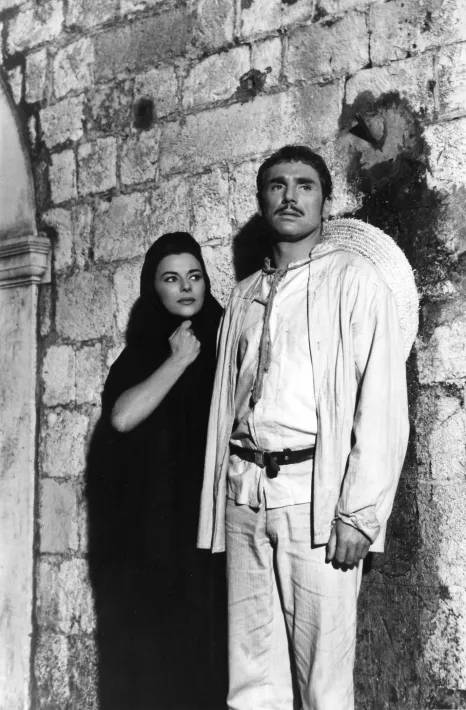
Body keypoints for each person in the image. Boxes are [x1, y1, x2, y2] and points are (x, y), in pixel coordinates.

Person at [197, 146, 412, 710]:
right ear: (261, 200)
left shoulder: (354, 279)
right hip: (244, 494)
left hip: (313, 496)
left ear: (325, 201)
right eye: (277, 185)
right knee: (250, 683)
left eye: (305, 185)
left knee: (324, 684)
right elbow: (227, 403)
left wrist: (359, 514)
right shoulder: (244, 294)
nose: (290, 196)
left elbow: (383, 405)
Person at [87, 232, 226, 710]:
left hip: (213, 525)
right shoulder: (144, 350)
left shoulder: (228, 338)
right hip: (154, 533)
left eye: (194, 276)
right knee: (157, 654)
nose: (186, 287)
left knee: (212, 652)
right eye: (171, 278)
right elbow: (122, 417)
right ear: (154, 287)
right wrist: (178, 360)